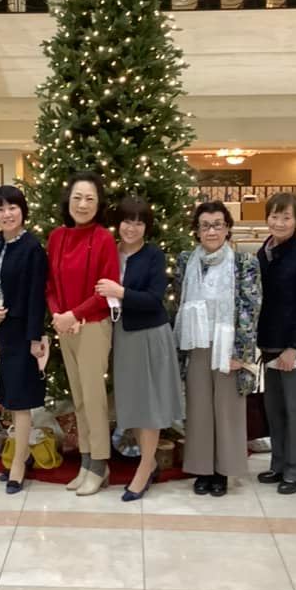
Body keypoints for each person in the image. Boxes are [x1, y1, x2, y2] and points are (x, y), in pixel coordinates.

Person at [95, 196, 183, 501]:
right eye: (127, 221)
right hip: (121, 335)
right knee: (131, 403)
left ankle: (146, 466)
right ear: (117, 223)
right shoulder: (110, 251)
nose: (132, 228)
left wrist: (120, 291)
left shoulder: (153, 255)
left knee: (149, 406)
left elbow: (154, 299)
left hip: (149, 335)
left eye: (139, 222)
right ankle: (149, 462)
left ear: (147, 227)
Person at [175, 201, 261, 497]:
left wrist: (242, 352)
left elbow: (251, 308)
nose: (211, 231)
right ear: (197, 231)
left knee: (227, 410)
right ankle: (202, 470)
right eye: (205, 226)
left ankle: (223, 471)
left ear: (227, 229)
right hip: (196, 343)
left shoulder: (243, 263)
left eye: (217, 225)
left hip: (228, 345)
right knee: (198, 408)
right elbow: (179, 302)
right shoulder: (187, 261)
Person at [46, 171, 119, 496]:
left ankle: (100, 464)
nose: (83, 204)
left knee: (93, 399)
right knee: (78, 399)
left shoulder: (103, 239)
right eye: (77, 197)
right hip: (66, 326)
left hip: (93, 327)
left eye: (90, 198)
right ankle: (87, 463)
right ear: (68, 201)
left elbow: (106, 289)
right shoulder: (57, 237)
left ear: (98, 203)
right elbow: (50, 285)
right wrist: (59, 316)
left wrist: (75, 314)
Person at [256, 192, 296, 495]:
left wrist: (294, 348)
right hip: (269, 343)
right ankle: (278, 463)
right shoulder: (264, 252)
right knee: (275, 409)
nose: (279, 223)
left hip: (293, 347)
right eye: (274, 216)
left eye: (286, 217)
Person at [0, 186, 47, 494]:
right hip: (3, 329)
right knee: (8, 397)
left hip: (23, 332)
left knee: (21, 401)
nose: (7, 214)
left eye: (12, 207)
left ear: (22, 210)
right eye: (0, 209)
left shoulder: (32, 248)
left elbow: (37, 297)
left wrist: (35, 339)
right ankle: (21, 454)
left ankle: (19, 466)